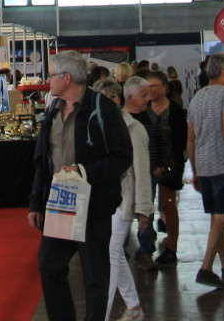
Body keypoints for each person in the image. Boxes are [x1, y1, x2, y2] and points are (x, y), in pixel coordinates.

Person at [29, 50, 134, 321]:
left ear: (66, 78)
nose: (47, 80)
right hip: (60, 201)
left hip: (93, 203)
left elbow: (123, 156)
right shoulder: (52, 110)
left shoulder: (102, 108)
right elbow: (43, 160)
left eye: (51, 75)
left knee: (94, 275)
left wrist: (84, 171)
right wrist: (36, 204)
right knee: (49, 266)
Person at [94, 79, 153, 321]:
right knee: (114, 253)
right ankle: (134, 308)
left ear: (120, 100)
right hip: (104, 201)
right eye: (103, 98)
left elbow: (142, 170)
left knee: (109, 256)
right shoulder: (96, 126)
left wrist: (143, 210)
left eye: (112, 98)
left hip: (124, 202)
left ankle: (102, 316)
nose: (108, 103)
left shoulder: (133, 129)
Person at [185, 52, 224, 288]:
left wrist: (194, 168)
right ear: (223, 73)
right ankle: (206, 267)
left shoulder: (197, 98)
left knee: (216, 218)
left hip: (204, 164)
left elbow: (190, 138)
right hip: (223, 163)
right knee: (222, 217)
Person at [144, 68, 186, 268]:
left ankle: (171, 247)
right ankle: (147, 243)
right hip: (147, 168)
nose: (150, 90)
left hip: (170, 166)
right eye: (148, 86)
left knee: (169, 206)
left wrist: (177, 164)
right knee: (146, 207)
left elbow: (182, 140)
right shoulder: (144, 110)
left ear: (165, 88)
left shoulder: (176, 112)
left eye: (154, 86)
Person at [123, 74, 160, 270]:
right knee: (123, 216)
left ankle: (145, 252)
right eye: (144, 95)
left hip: (149, 174)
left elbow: (160, 139)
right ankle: (120, 253)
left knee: (147, 213)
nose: (148, 98)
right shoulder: (121, 121)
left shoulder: (151, 116)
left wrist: (160, 163)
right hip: (125, 179)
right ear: (130, 98)